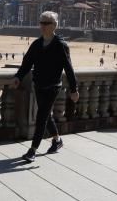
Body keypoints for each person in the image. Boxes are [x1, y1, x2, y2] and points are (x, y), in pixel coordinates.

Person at [12, 11, 78, 163]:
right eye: (41, 22)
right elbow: (27, 63)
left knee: (41, 117)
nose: (42, 26)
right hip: (38, 85)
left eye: (46, 23)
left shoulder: (61, 45)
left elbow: (69, 69)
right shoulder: (36, 44)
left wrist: (74, 90)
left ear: (54, 25)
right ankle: (57, 140)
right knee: (46, 115)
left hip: (53, 87)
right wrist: (18, 77)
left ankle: (32, 150)